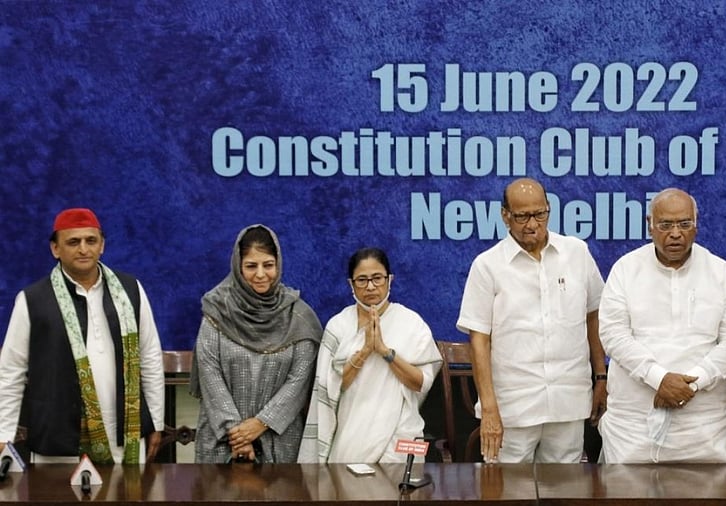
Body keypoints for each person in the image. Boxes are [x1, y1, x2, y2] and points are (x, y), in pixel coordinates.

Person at [456, 178, 606, 464]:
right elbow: (479, 340)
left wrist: (601, 376)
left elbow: (593, 316)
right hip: (513, 405)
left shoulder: (576, 253)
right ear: (505, 215)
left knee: (565, 490)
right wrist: (488, 408)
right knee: (507, 491)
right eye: (522, 216)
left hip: (568, 397)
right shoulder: (487, 265)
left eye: (540, 214)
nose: (532, 224)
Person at [0, 208, 164, 463]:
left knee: (128, 501)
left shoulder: (130, 290)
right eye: (73, 242)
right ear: (55, 249)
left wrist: (156, 421)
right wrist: (4, 433)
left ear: (102, 246)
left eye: (91, 241)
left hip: (126, 434)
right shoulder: (32, 300)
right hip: (58, 438)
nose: (83, 249)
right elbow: (11, 370)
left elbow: (150, 356)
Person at [598, 188, 726, 463]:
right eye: (665, 225)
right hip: (634, 427)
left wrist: (690, 384)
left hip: (706, 427)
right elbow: (613, 335)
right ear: (650, 226)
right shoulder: (626, 269)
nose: (675, 233)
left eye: (684, 224)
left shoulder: (720, 271)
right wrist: (659, 379)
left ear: (696, 226)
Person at [191, 225, 322, 463]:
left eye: (268, 265)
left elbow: (299, 381)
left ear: (278, 264)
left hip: (279, 443)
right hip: (223, 444)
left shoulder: (300, 316)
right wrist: (238, 434)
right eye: (251, 266)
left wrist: (261, 424)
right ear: (238, 267)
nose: (261, 274)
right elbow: (209, 374)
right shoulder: (217, 309)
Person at [298, 247, 442, 463]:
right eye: (362, 280)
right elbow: (332, 390)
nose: (371, 286)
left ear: (389, 279)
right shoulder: (338, 326)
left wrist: (384, 351)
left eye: (377, 278)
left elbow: (421, 384)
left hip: (399, 438)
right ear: (351, 284)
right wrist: (365, 350)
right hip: (350, 436)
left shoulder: (411, 323)